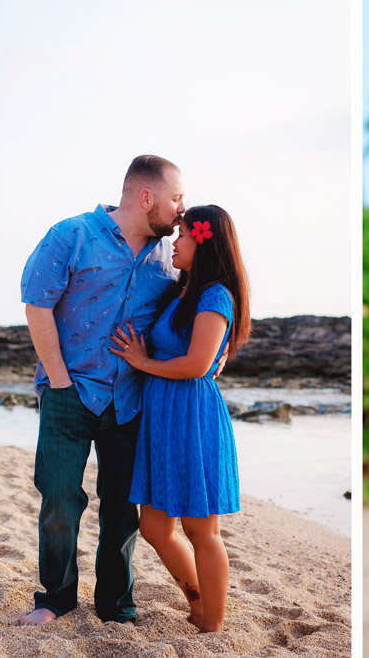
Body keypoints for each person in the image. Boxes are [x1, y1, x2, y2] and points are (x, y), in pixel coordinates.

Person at [18, 155, 185, 626]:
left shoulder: (169, 260)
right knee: (58, 502)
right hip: (68, 392)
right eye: (176, 199)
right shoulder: (71, 235)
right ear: (145, 197)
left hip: (132, 400)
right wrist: (59, 380)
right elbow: (37, 304)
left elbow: (195, 314)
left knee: (121, 511)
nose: (181, 210)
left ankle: (116, 607)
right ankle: (55, 599)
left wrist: (215, 354)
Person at [109, 205, 251, 633]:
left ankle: (213, 625)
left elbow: (195, 364)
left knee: (201, 530)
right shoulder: (181, 293)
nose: (174, 242)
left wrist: (141, 361)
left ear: (204, 243)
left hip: (191, 415)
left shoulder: (216, 295)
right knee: (154, 526)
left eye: (183, 235)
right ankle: (198, 599)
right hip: (162, 417)